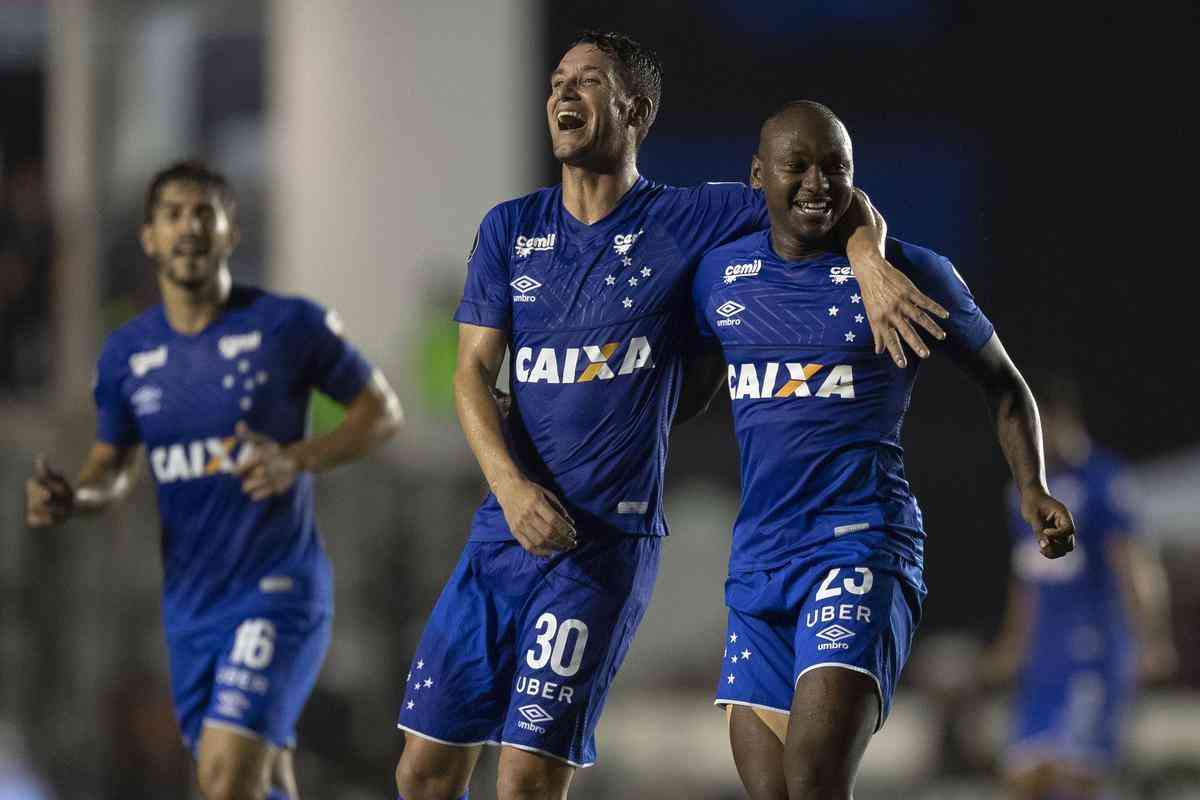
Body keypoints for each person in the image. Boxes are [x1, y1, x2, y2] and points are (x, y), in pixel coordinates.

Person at [393, 32, 948, 800]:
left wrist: (868, 260)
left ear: (636, 110)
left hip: (599, 547)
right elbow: (470, 375)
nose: (564, 93)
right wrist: (511, 490)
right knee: (421, 773)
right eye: (558, 79)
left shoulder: (696, 219)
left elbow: (823, 194)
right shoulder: (510, 229)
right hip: (501, 534)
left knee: (522, 783)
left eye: (588, 81)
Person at [692, 100, 1077, 800]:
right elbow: (676, 383)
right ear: (757, 176)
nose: (817, 183)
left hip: (860, 547)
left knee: (814, 779)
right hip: (759, 566)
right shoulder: (719, 278)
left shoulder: (911, 273)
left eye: (835, 167)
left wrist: (1032, 485)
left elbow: (1004, 383)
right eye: (797, 166)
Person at [24, 161, 403, 800]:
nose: (189, 227)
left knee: (226, 778)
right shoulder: (125, 355)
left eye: (205, 213)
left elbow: (381, 413)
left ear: (230, 232)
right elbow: (111, 467)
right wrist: (76, 496)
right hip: (191, 607)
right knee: (250, 781)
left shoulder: (288, 326)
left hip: (276, 591)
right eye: (172, 214)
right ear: (149, 237)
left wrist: (297, 457)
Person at [984, 373, 1176, 800]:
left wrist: (1151, 637)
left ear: (1058, 420)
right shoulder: (1023, 494)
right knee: (1022, 780)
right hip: (1043, 661)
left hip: (1094, 651)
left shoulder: (1104, 481)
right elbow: (1028, 577)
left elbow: (1133, 564)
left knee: (1073, 779)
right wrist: (1014, 643)